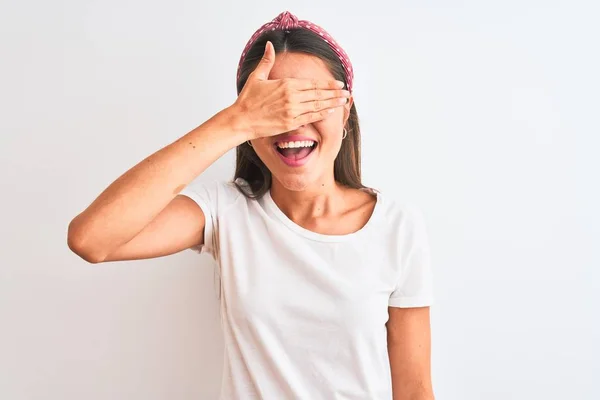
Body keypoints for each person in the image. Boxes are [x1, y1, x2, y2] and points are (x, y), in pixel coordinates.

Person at [67, 10, 435, 400]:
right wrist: (235, 122)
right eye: (273, 106)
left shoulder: (397, 226)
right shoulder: (225, 210)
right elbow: (92, 239)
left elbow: (414, 390)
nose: (292, 123)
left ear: (345, 110)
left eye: (309, 100)